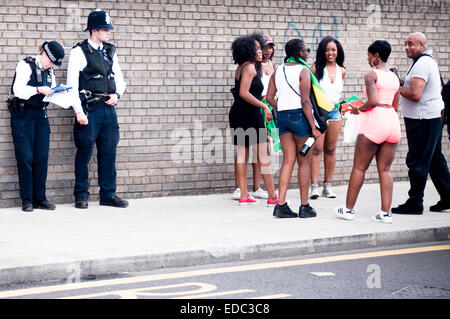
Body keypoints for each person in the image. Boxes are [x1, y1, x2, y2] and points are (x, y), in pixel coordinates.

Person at [67, 9, 128, 209]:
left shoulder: (110, 51)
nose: (109, 32)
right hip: (89, 109)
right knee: (84, 152)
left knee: (109, 152)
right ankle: (81, 195)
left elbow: (119, 79)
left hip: (108, 110)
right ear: (94, 31)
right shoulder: (78, 52)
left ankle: (108, 194)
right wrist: (78, 111)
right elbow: (72, 85)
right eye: (105, 29)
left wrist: (117, 95)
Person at [335, 40, 400, 223]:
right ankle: (385, 213)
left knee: (359, 167)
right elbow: (394, 105)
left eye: (369, 55)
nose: (368, 58)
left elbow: (371, 102)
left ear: (376, 56)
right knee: (385, 170)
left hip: (374, 120)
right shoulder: (395, 77)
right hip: (392, 121)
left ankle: (348, 210)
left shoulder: (371, 75)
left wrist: (358, 109)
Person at [391, 32, 450, 214]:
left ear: (423, 46)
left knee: (417, 161)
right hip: (430, 117)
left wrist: (395, 85)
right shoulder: (422, 61)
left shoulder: (422, 64)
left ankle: (415, 203)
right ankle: (448, 197)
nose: (407, 47)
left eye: (411, 44)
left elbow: (416, 95)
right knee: (434, 159)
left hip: (423, 119)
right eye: (406, 43)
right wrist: (401, 81)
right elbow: (415, 89)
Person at [266, 38, 321, 218]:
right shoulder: (303, 70)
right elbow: (305, 101)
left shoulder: (278, 70)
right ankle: (304, 206)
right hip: (300, 117)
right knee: (303, 162)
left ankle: (280, 204)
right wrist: (313, 127)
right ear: (299, 53)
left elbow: (269, 97)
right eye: (306, 50)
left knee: (288, 161)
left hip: (282, 118)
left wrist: (280, 107)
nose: (307, 52)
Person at [9, 41, 65, 212]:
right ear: (46, 55)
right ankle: (27, 200)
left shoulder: (50, 70)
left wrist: (57, 91)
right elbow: (18, 90)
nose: (52, 65)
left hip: (41, 115)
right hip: (23, 115)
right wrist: (38, 90)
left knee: (41, 157)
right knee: (25, 158)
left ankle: (40, 199)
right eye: (52, 61)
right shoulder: (26, 64)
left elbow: (49, 92)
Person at [229, 34, 278, 207]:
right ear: (248, 50)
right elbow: (244, 93)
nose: (262, 51)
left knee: (243, 154)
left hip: (239, 113)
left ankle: (244, 195)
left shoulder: (242, 67)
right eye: (257, 48)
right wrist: (264, 106)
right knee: (263, 156)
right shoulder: (250, 68)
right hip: (249, 114)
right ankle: (273, 197)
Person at [310, 36, 346, 199]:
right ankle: (314, 186)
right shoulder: (316, 69)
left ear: (338, 52)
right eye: (326, 49)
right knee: (317, 149)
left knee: (331, 150)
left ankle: (328, 185)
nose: (330, 53)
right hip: (319, 112)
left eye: (333, 50)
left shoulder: (342, 71)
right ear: (322, 52)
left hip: (334, 111)